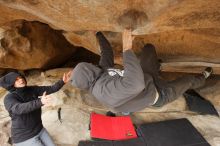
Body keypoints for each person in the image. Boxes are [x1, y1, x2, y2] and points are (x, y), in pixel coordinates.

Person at [70, 29, 213, 113]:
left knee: (148, 49)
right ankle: (203, 78)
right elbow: (135, 85)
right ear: (88, 73)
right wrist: (127, 49)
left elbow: (106, 53)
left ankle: (157, 69)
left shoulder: (100, 72)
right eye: (88, 65)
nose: (90, 63)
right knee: (186, 81)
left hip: (148, 77)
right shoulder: (104, 91)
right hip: (159, 94)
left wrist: (98, 33)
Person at [0, 71, 71, 146]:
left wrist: (62, 81)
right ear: (11, 84)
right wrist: (40, 102)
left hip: (39, 130)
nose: (21, 80)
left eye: (20, 77)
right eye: (16, 80)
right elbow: (18, 109)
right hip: (24, 137)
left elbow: (51, 88)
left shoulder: (32, 89)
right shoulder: (9, 98)